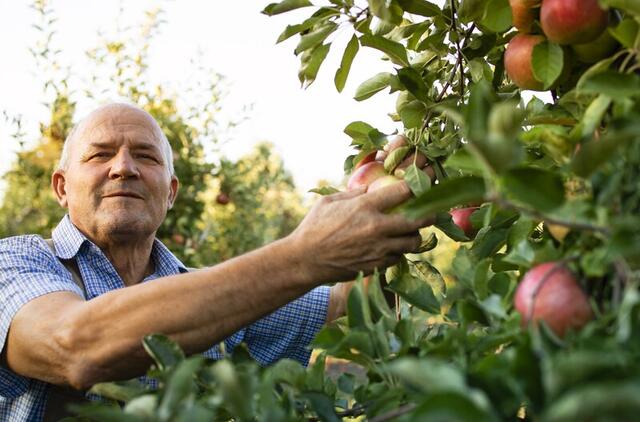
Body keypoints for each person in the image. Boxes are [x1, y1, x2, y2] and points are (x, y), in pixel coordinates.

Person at [0, 103, 432, 421]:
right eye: (100, 155)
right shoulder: (18, 263)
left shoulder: (216, 300)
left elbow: (349, 300)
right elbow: (76, 346)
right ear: (61, 187)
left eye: (146, 156)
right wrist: (305, 253)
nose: (124, 168)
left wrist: (390, 194)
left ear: (170, 193)